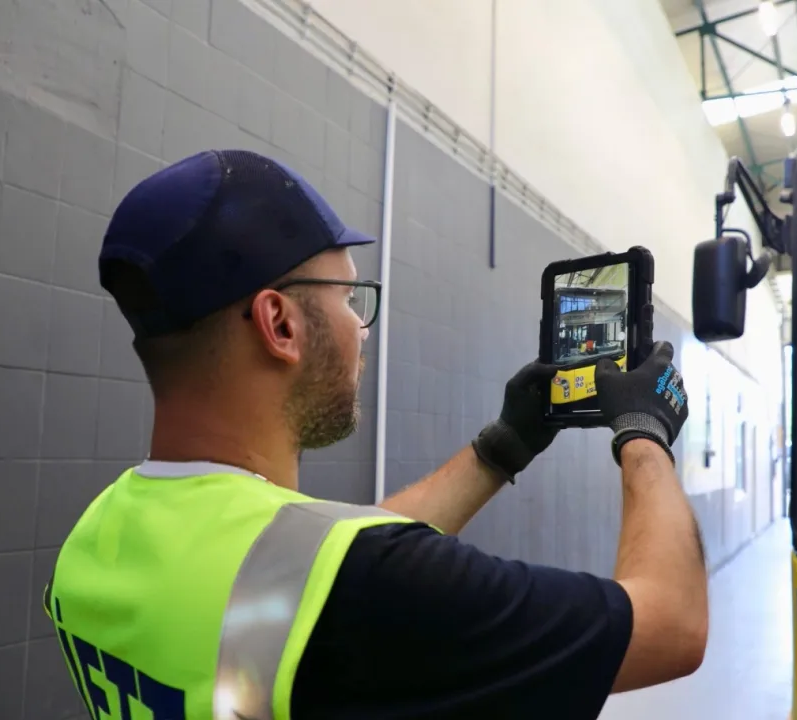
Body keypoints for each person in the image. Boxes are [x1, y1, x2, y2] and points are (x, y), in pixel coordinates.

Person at [43, 149, 706, 720]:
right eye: (348, 299)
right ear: (280, 325)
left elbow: (322, 558)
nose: (361, 330)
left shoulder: (93, 540)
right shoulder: (363, 589)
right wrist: (643, 433)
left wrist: (504, 446)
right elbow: (671, 625)